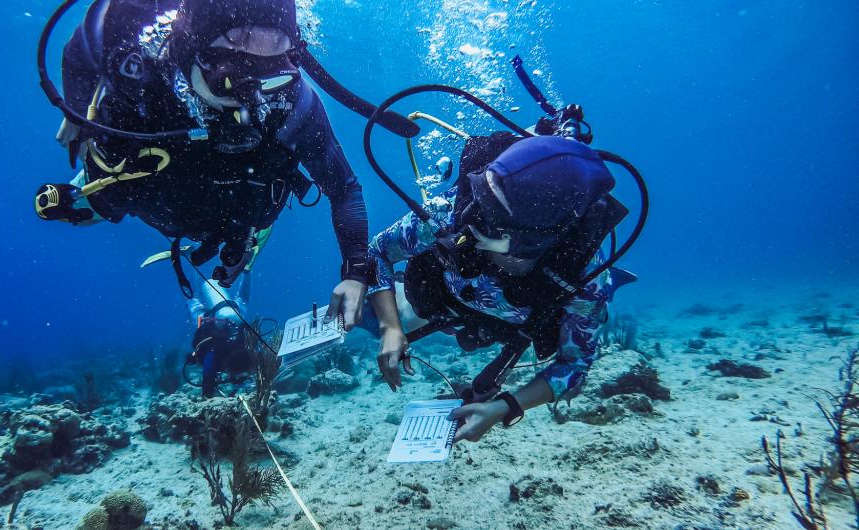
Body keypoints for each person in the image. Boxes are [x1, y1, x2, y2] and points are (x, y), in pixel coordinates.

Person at [33, 0, 375, 328]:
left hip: (242, 216)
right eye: (230, 82)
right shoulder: (137, 62)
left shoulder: (293, 102)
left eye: (270, 76)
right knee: (99, 195)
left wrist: (356, 274)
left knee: (246, 234)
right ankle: (90, 195)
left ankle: (245, 247)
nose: (248, 102)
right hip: (144, 186)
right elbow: (79, 48)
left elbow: (344, 188)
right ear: (188, 48)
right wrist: (77, 110)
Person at [366, 133, 636, 443]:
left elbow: (576, 364)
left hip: (510, 323)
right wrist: (390, 328)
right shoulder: (455, 210)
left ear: (533, 242)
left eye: (490, 226)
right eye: (478, 207)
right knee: (392, 318)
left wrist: (505, 407)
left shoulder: (582, 273)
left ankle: (607, 293)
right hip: (447, 300)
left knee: (584, 316)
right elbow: (378, 252)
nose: (471, 224)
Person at [186, 274, 254, 397]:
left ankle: (247, 272)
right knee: (193, 304)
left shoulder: (247, 350)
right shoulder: (216, 354)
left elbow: (208, 378)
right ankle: (184, 275)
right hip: (211, 319)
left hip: (234, 314)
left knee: (242, 301)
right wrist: (208, 392)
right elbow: (207, 380)